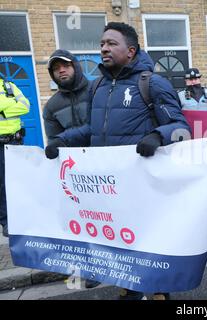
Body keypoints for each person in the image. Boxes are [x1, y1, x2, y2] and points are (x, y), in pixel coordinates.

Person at [44, 22, 190, 300]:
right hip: (109, 188)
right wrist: (63, 140)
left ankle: (160, 291)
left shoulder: (153, 84)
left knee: (149, 243)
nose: (104, 48)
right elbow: (93, 129)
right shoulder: (97, 86)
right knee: (122, 244)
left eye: (112, 43)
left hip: (144, 186)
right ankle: (130, 290)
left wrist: (158, 136)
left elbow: (181, 128)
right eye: (102, 44)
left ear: (131, 51)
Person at [44, 49, 101, 289]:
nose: (61, 71)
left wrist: (65, 139)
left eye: (65, 65)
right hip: (77, 174)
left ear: (75, 66)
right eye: (56, 69)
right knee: (86, 220)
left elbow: (99, 125)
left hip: (106, 166)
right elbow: (55, 141)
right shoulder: (50, 107)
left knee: (113, 216)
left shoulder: (97, 90)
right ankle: (93, 268)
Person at [0, 77, 29, 238]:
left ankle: (22, 216)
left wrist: (3, 110)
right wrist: (10, 105)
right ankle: (6, 221)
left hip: (14, 142)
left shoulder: (9, 86)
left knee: (17, 181)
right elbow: (17, 106)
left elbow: (25, 106)